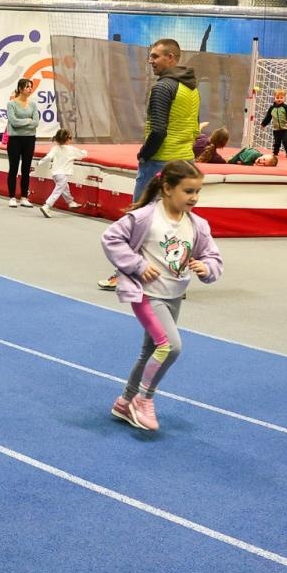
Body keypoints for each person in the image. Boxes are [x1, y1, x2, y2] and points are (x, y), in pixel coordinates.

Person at [99, 159, 222, 432]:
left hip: (174, 295)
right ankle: (143, 400)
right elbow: (111, 238)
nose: (194, 197)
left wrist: (206, 268)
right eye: (188, 191)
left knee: (150, 351)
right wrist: (138, 265)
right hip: (147, 295)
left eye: (198, 191)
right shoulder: (145, 218)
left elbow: (213, 256)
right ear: (167, 188)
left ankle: (124, 402)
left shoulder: (197, 225)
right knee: (170, 346)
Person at [99, 38, 198, 291]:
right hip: (185, 160)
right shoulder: (191, 89)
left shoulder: (163, 88)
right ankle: (175, 280)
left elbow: (158, 130)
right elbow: (195, 127)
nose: (150, 61)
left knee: (138, 219)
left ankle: (126, 274)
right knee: (175, 223)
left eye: (155, 57)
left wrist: (144, 154)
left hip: (160, 162)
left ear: (171, 58)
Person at [3, 78, 40, 208]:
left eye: (31, 87)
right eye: (27, 87)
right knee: (13, 168)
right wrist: (28, 121)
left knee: (26, 169)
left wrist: (27, 122)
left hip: (29, 139)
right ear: (20, 89)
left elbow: (36, 122)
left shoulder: (33, 105)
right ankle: (12, 197)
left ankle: (24, 197)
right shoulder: (11, 104)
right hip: (15, 140)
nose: (29, 89)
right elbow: (13, 122)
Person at [35, 128, 87, 216]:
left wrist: (40, 162)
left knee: (65, 188)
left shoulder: (55, 148)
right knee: (58, 191)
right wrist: (85, 151)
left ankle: (70, 202)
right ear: (68, 139)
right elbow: (82, 155)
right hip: (63, 174)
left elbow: (48, 157)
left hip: (55, 174)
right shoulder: (71, 149)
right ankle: (47, 206)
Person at [261, 89, 287, 158]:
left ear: (284, 98)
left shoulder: (285, 107)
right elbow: (268, 117)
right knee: (277, 142)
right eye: (277, 98)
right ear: (274, 98)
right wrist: (263, 124)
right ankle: (275, 153)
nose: (279, 99)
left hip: (285, 129)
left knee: (285, 140)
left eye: (281, 98)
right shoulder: (272, 108)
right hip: (276, 129)